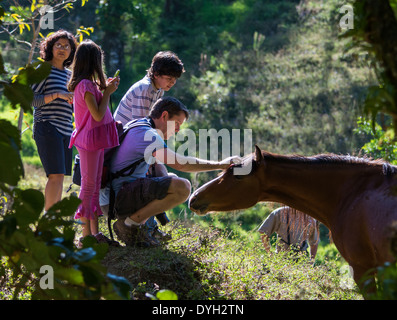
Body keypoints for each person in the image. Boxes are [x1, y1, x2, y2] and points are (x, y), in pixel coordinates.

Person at [110, 96, 241, 247]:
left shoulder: (140, 125)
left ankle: (147, 227)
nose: (178, 130)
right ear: (164, 116)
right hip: (119, 197)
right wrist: (221, 164)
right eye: (177, 123)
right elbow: (181, 164)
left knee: (166, 175)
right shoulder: (148, 135)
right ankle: (129, 225)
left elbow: (160, 168)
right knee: (182, 188)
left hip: (118, 193)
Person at [104, 51, 185, 239]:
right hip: (125, 142)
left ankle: (151, 225)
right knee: (153, 176)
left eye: (175, 79)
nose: (172, 82)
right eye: (169, 77)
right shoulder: (145, 89)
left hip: (137, 140)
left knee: (161, 173)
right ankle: (149, 227)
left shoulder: (157, 90)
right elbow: (141, 126)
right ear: (156, 73)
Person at [67, 40, 120, 247]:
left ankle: (94, 233)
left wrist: (104, 88)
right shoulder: (85, 85)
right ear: (94, 61)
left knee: (94, 185)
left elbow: (97, 107)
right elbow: (97, 115)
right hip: (88, 141)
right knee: (89, 187)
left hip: (94, 140)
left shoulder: (88, 84)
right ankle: (85, 236)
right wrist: (107, 93)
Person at [32, 30, 78, 212]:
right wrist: (58, 94)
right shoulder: (43, 70)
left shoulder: (70, 75)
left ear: (71, 52)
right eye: (58, 44)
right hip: (47, 126)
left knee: (60, 177)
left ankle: (53, 219)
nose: (62, 49)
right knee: (55, 175)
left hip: (66, 130)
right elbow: (32, 99)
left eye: (67, 46)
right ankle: (48, 221)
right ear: (50, 47)